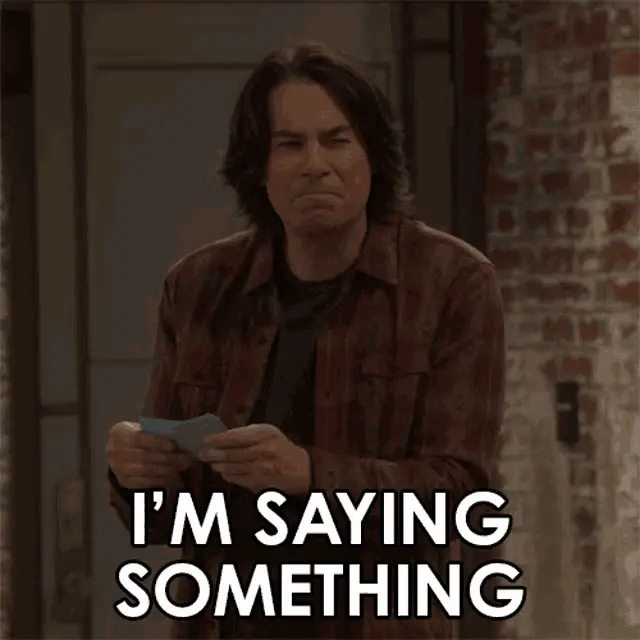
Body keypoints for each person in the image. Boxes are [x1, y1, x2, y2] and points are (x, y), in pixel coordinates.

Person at [106, 42, 505, 640]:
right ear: (257, 168)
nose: (315, 164)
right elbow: (166, 523)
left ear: (372, 156)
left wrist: (311, 475)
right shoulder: (197, 288)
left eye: (337, 140)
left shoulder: (452, 282)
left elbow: (462, 500)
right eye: (289, 145)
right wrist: (135, 473)